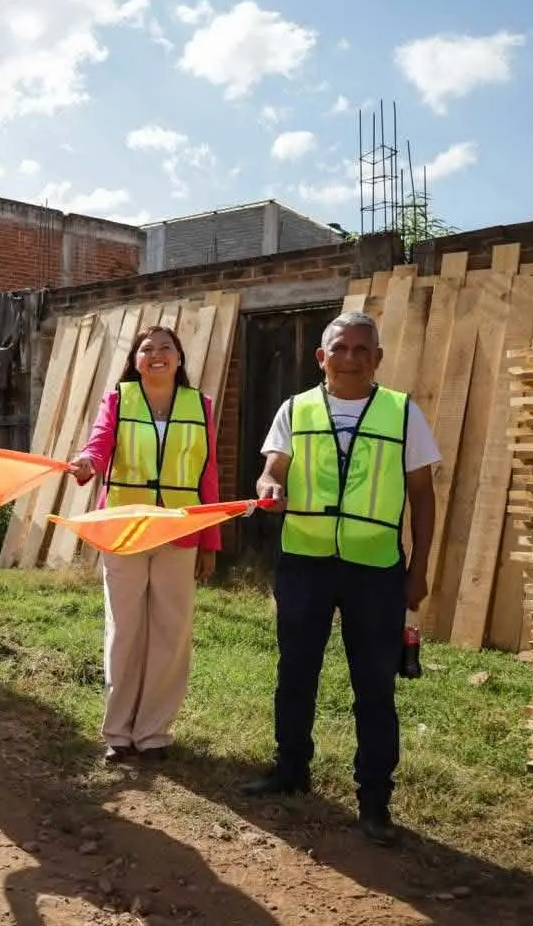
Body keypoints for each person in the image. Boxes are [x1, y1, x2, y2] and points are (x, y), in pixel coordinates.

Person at [243, 310, 439, 846]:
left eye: (361, 349)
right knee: (295, 672)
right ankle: (290, 770)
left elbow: (423, 497)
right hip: (304, 562)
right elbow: (272, 468)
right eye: (339, 348)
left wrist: (419, 568)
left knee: (374, 686)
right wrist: (269, 485)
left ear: (377, 358)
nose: (349, 358)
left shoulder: (403, 413)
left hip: (375, 569)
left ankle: (375, 800)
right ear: (320, 357)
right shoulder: (295, 409)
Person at [68, 325, 221, 764]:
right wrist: (87, 462)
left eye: (166, 347)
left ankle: (153, 733)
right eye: (147, 348)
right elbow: (99, 444)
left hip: (180, 530)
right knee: (124, 630)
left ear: (179, 358)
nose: (157, 354)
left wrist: (210, 542)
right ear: (135, 360)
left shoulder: (200, 406)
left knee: (171, 632)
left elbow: (208, 475)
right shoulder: (118, 400)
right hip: (125, 529)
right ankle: (118, 733)